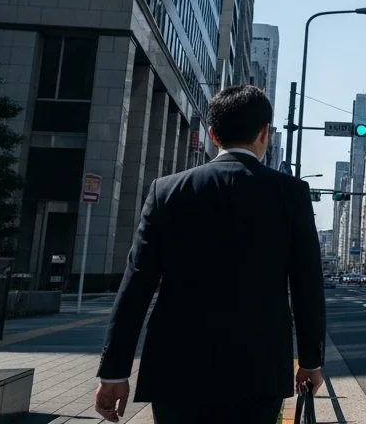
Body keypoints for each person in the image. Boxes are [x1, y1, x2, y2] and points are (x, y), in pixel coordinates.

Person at [93, 85, 326, 423]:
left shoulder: (167, 190)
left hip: (176, 366)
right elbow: (307, 286)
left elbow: (136, 285)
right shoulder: (291, 194)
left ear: (213, 134)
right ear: (265, 133)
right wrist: (310, 361)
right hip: (259, 366)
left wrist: (113, 372)